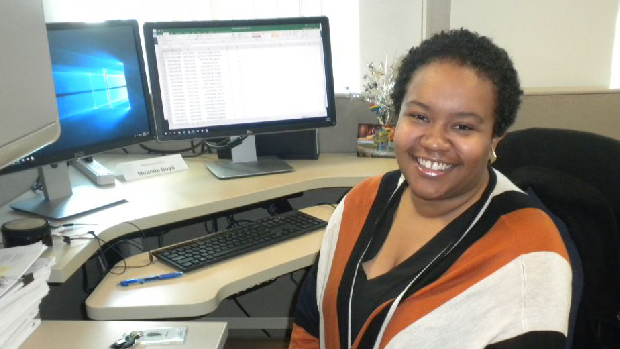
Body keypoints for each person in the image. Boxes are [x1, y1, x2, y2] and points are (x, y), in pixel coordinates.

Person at [289, 29, 572, 349]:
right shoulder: (360, 201)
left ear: (495, 139)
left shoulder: (527, 260)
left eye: (463, 126)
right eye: (420, 116)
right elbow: (310, 327)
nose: (435, 142)